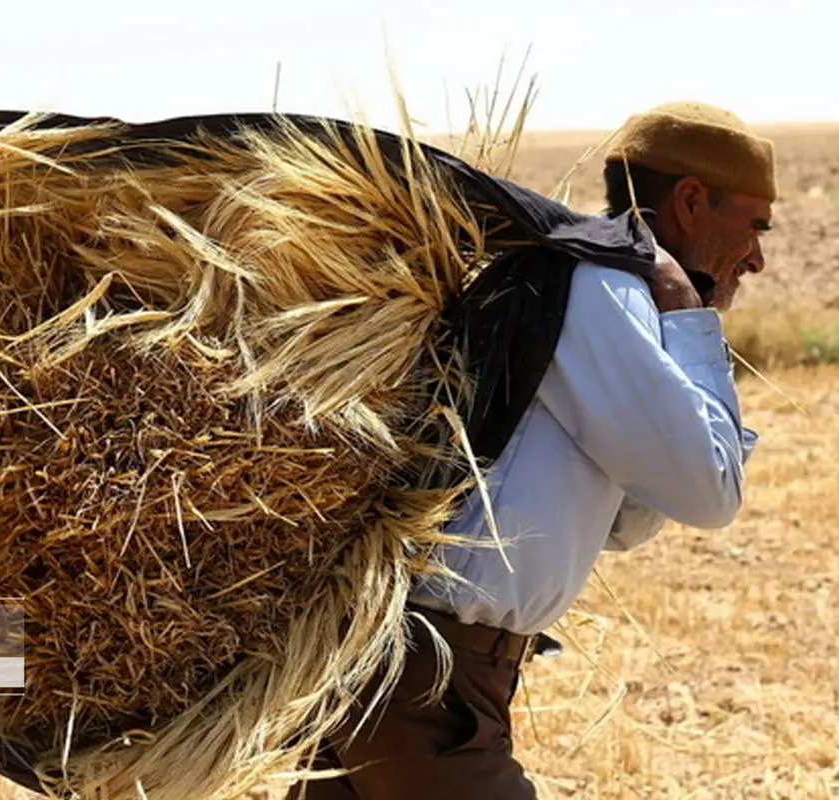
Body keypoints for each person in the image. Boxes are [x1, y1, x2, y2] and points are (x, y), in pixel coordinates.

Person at [302, 101, 776, 799]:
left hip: (428, 679)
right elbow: (710, 494)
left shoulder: (593, 292)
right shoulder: (601, 291)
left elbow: (630, 519)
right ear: (692, 200)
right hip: (427, 684)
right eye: (755, 225)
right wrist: (689, 317)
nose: (760, 257)